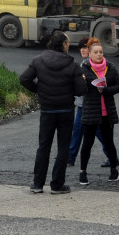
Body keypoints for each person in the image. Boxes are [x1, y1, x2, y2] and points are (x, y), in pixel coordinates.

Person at [20, 31, 87, 194]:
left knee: (44, 146)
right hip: (66, 110)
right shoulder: (72, 64)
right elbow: (81, 90)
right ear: (64, 45)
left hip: (47, 109)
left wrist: (39, 91)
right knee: (63, 147)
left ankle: (37, 184)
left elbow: (24, 79)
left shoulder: (38, 60)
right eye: (68, 42)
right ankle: (57, 185)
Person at [78, 37, 119, 185]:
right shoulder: (84, 68)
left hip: (107, 111)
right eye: (95, 52)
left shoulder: (110, 67)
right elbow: (78, 88)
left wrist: (106, 90)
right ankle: (83, 171)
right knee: (87, 143)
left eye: (101, 52)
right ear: (89, 54)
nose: (99, 55)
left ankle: (114, 170)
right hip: (91, 110)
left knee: (109, 142)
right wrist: (87, 84)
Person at [68, 37, 118, 168]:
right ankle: (71, 156)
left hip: (91, 106)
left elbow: (118, 84)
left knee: (96, 132)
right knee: (79, 130)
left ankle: (111, 156)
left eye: (85, 47)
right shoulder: (83, 65)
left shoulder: (100, 66)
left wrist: (104, 90)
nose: (83, 50)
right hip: (83, 104)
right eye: (82, 48)